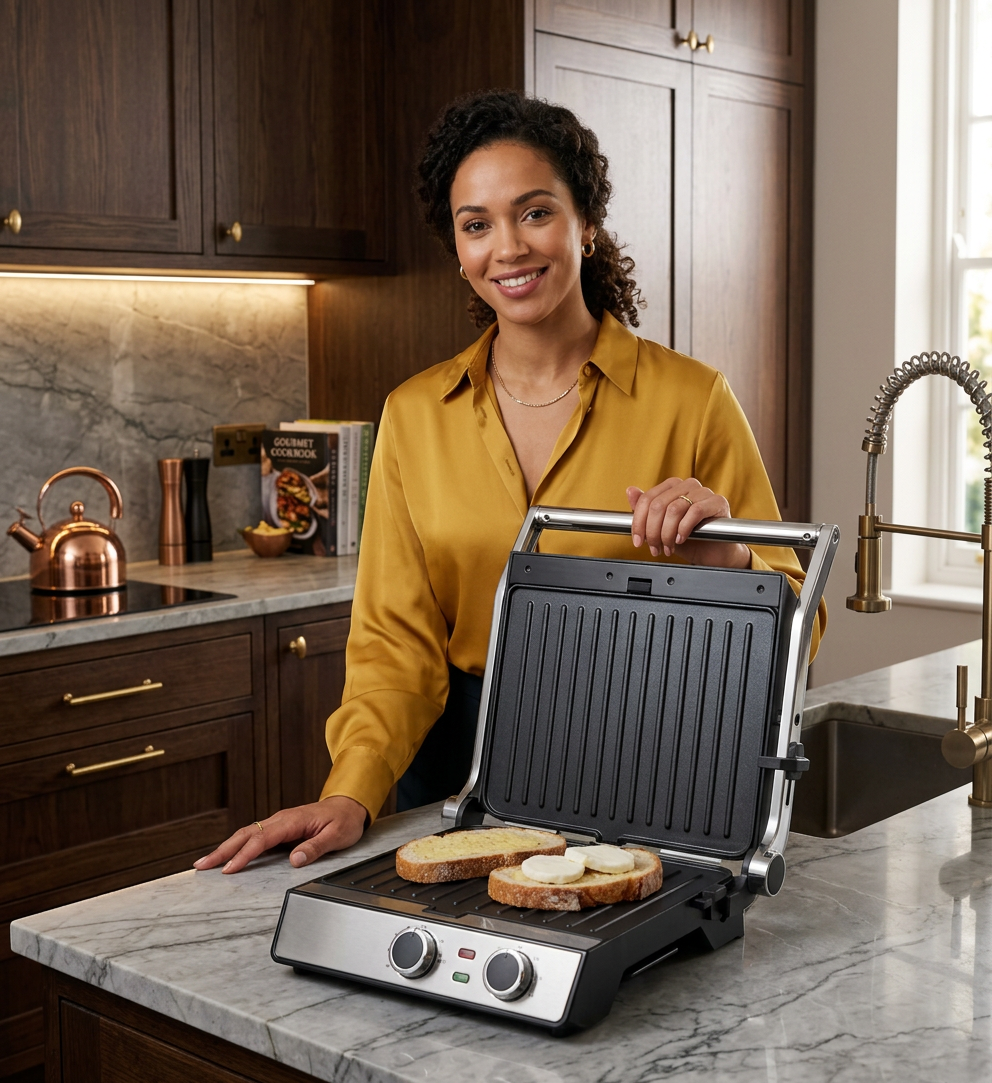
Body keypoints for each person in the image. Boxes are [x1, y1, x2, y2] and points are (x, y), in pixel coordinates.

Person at [195, 90, 827, 876]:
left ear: (584, 224)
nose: (508, 248)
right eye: (476, 224)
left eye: (534, 212)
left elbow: (802, 628)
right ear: (457, 249)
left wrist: (727, 561)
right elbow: (395, 645)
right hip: (453, 765)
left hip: (644, 753)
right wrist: (351, 789)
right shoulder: (414, 413)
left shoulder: (692, 399)